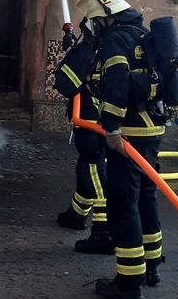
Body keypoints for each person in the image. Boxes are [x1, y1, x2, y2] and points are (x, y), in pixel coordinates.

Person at [75, 0, 165, 299]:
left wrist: (111, 129)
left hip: (129, 136)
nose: (95, 27)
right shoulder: (140, 33)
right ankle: (151, 268)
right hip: (153, 131)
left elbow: (115, 87)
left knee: (123, 205)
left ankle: (128, 284)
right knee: (146, 198)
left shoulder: (116, 40)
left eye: (96, 21)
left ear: (107, 16)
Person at [53, 19, 114, 255]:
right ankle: (76, 215)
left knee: (93, 167)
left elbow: (64, 83)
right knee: (87, 166)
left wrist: (74, 53)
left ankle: (103, 231)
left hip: (89, 120)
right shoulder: (114, 47)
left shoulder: (88, 50)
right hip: (107, 119)